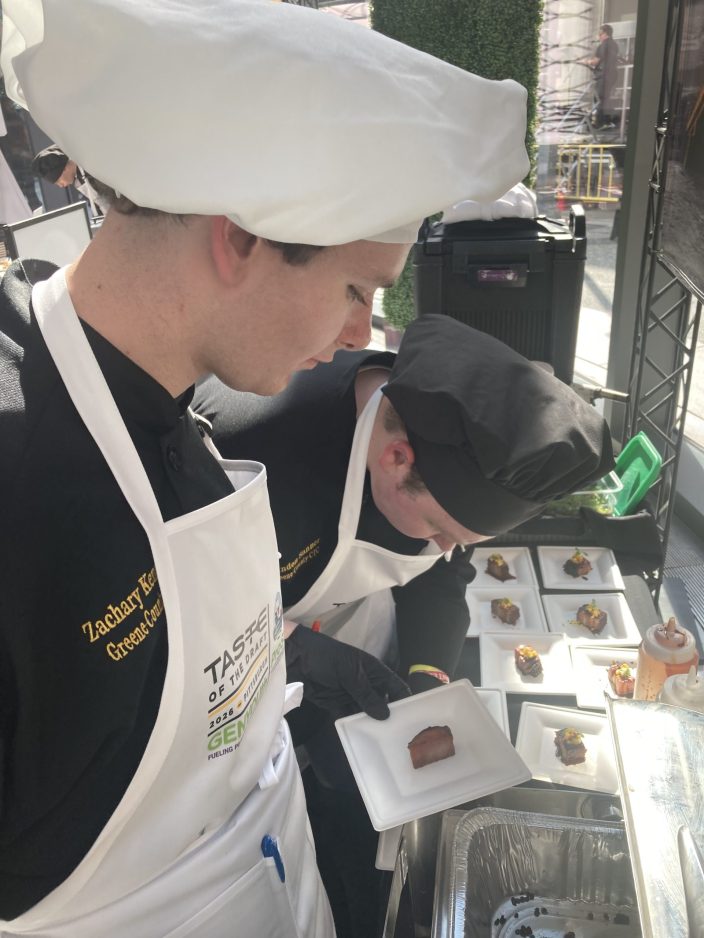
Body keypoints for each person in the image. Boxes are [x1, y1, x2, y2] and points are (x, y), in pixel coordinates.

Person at [0, 0, 530, 935]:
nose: (362, 334)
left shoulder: (177, 413)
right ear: (239, 235)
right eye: (356, 289)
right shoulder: (21, 473)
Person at [193, 314, 614, 936]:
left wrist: (427, 675)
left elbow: (442, 574)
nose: (446, 548)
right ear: (396, 458)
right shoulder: (256, 445)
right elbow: (194, 613)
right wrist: (299, 653)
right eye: (441, 530)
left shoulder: (443, 449)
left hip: (355, 638)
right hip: (237, 679)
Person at [31, 144, 110, 218]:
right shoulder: (77, 178)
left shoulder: (91, 168)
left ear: (64, 169)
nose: (61, 185)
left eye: (58, 181)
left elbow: (111, 201)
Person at [584, 23, 620, 129]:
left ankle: (600, 123)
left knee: (600, 100)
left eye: (600, 33)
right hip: (612, 75)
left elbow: (596, 61)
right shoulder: (614, 44)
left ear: (605, 33)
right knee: (605, 99)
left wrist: (586, 61)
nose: (598, 36)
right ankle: (610, 120)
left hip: (603, 75)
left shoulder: (603, 45)